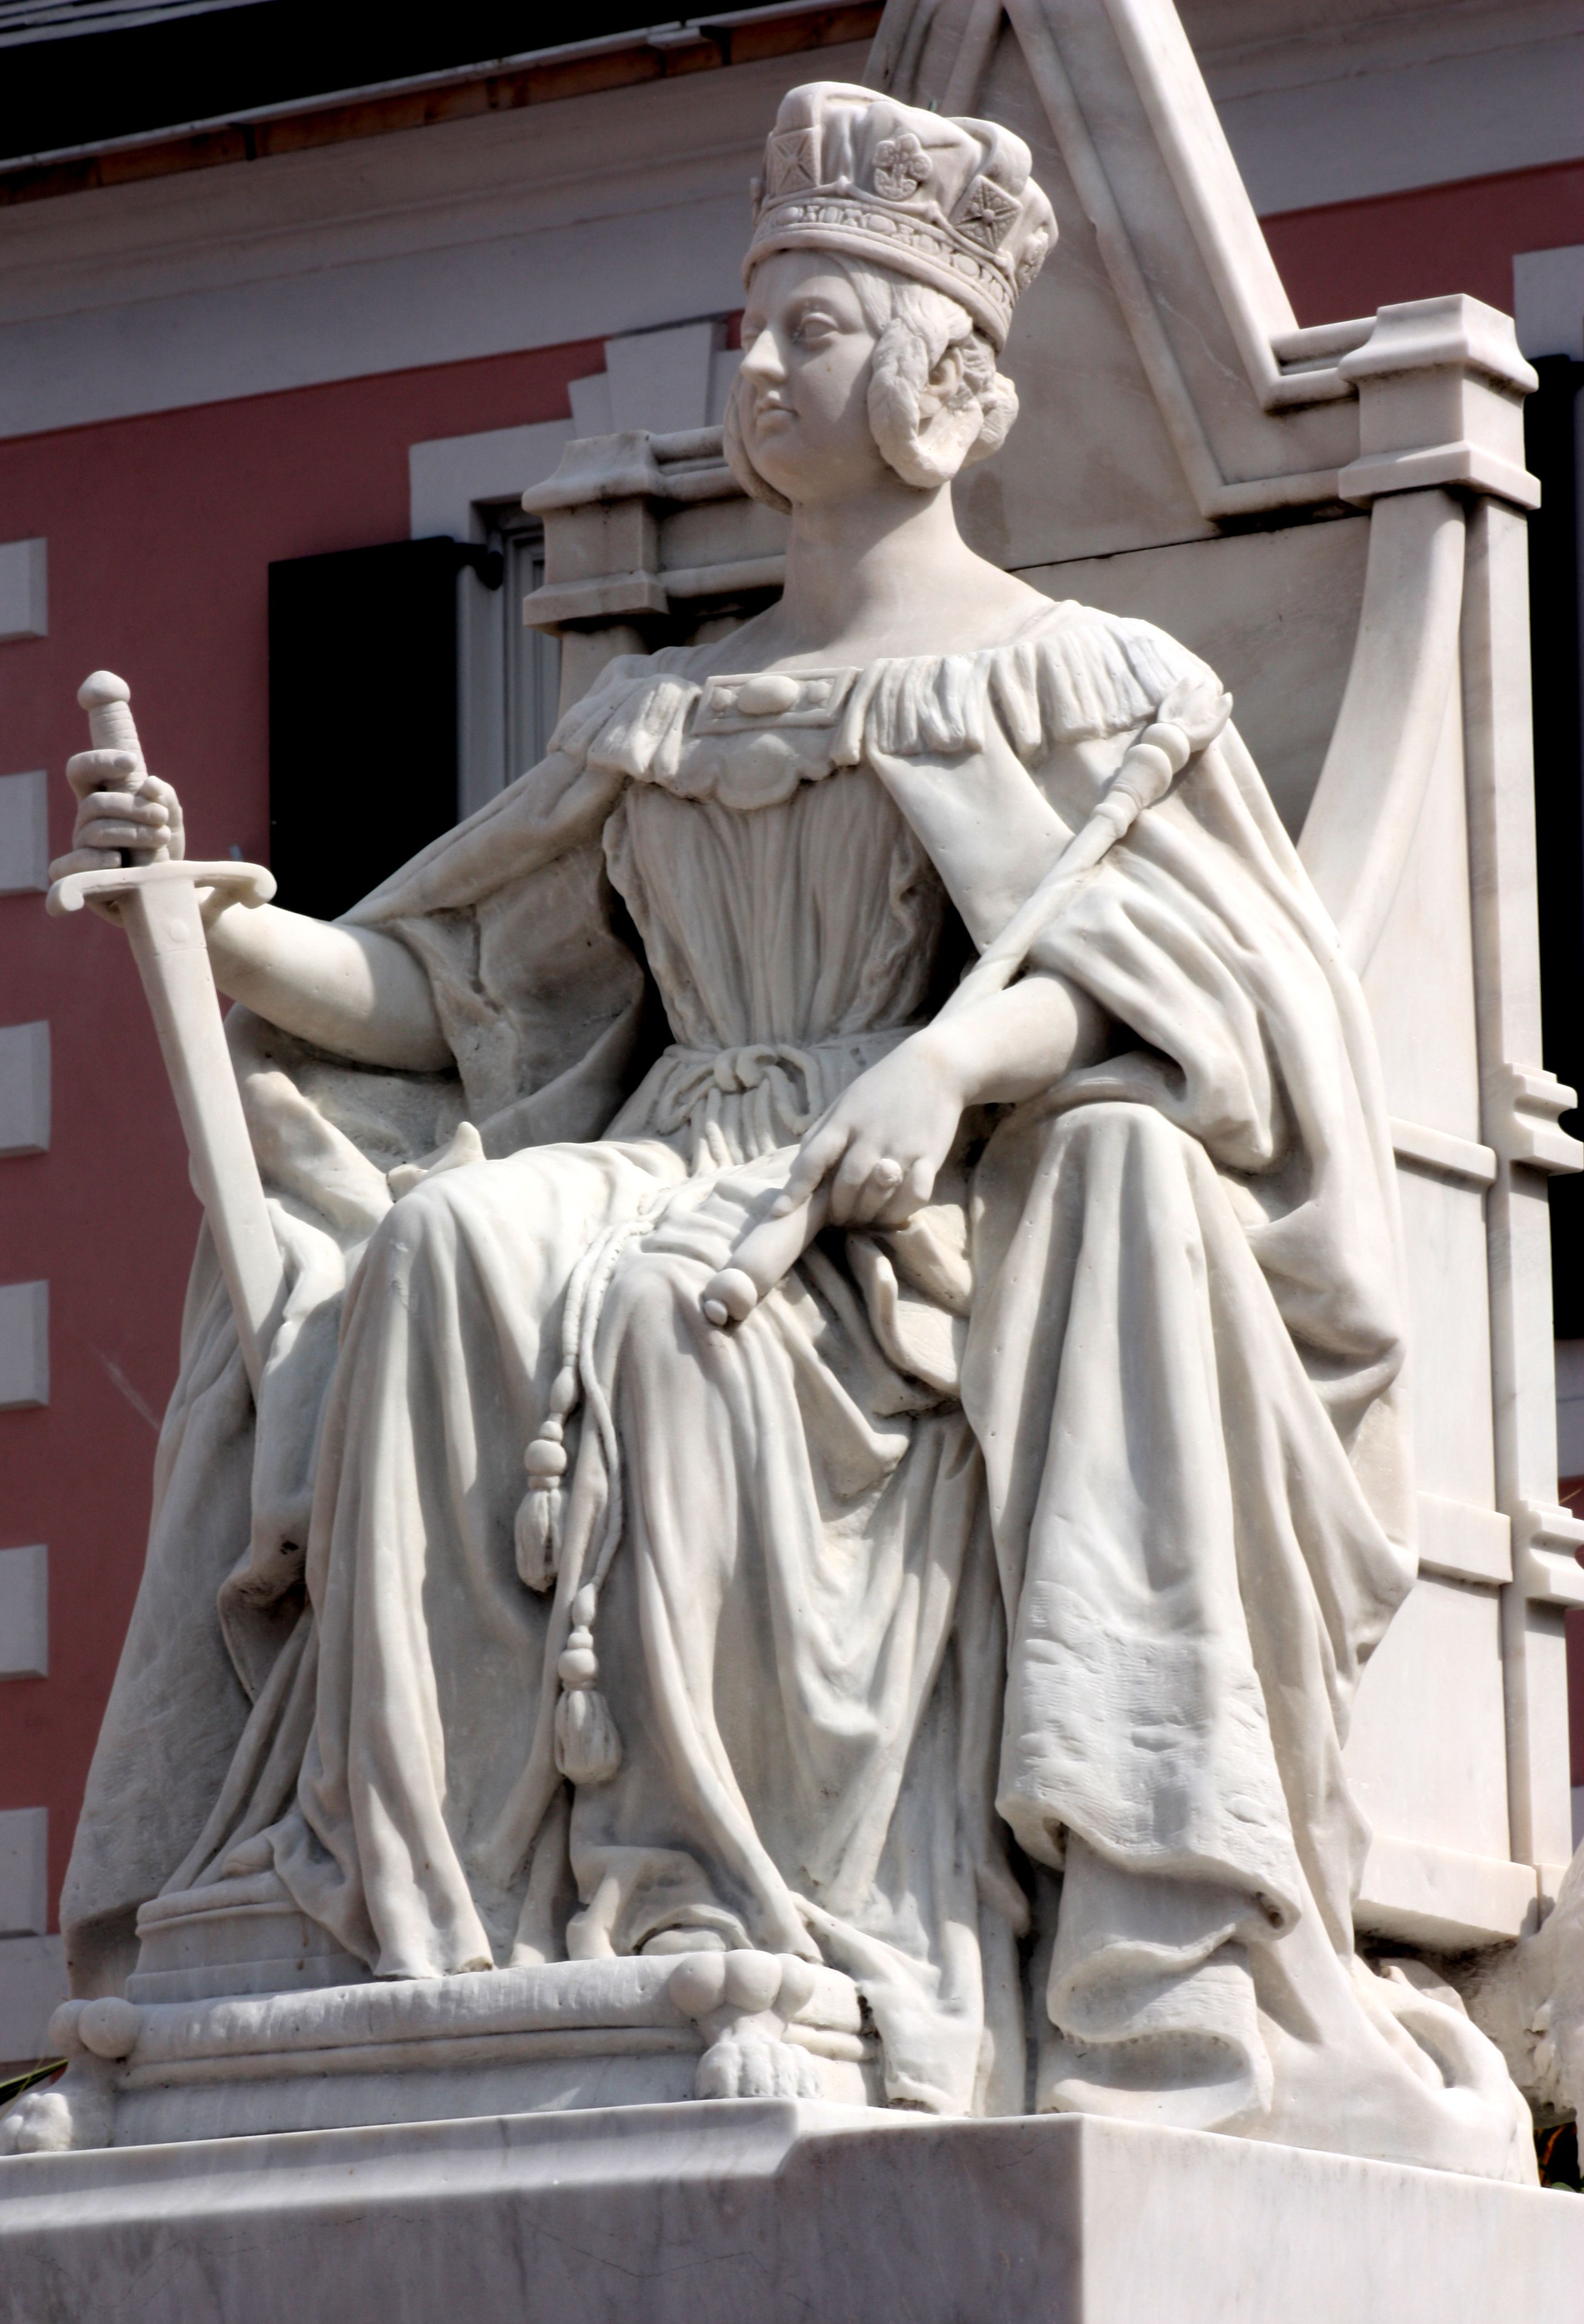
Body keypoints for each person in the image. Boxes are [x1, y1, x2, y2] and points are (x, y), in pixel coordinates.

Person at [52, 80, 1531, 2173]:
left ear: (947, 387)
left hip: (918, 1220)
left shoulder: (1096, 690)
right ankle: (424, 1908)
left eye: (805, 331)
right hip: (676, 1137)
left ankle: (734, 1903)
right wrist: (224, 924)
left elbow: (1214, 999)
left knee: (680, 1332)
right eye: (749, 331)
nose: (753, 371)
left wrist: (949, 1065)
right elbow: (466, 1006)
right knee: (450, 1248)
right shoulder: (660, 711)